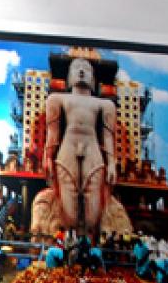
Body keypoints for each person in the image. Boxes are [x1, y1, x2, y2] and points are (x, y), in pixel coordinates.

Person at [43, 56, 117, 242]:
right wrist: (47, 157)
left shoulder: (105, 105)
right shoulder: (57, 99)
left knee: (92, 204)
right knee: (69, 200)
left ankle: (90, 240)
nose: (82, 71)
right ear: (69, 77)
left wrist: (112, 164)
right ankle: (69, 241)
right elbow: (52, 134)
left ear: (93, 78)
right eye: (77, 67)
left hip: (93, 149)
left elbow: (108, 137)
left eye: (87, 68)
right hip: (68, 148)